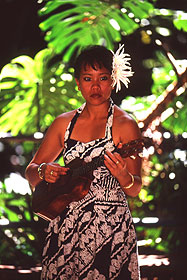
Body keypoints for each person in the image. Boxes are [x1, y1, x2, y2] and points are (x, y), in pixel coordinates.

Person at [25, 44, 142, 280]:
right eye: (88, 78)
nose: (96, 86)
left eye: (103, 78)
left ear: (113, 80)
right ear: (78, 82)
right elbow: (31, 171)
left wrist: (124, 177)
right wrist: (44, 171)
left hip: (110, 228)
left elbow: (136, 188)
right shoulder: (63, 124)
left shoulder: (125, 125)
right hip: (66, 226)